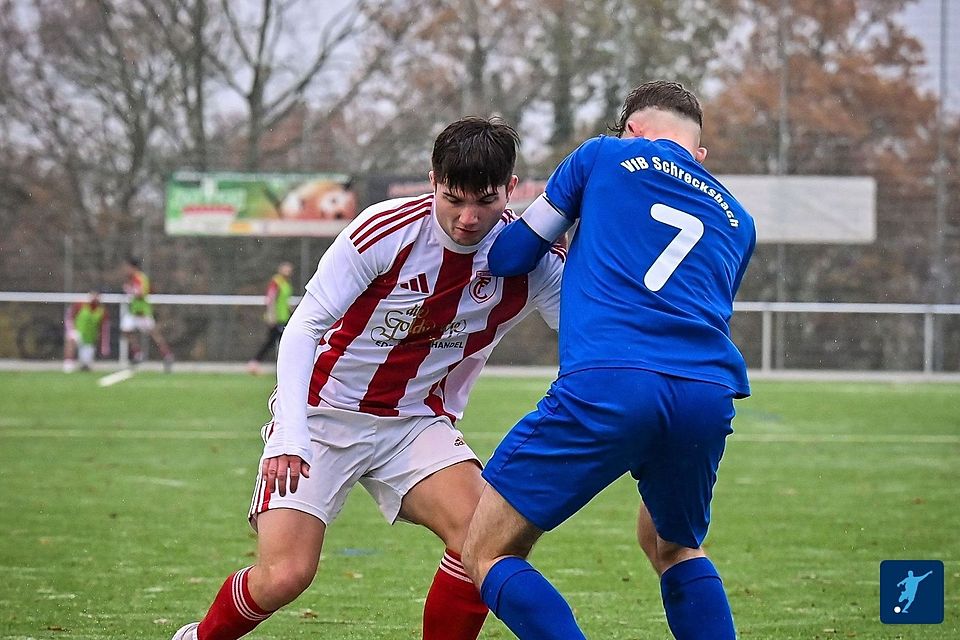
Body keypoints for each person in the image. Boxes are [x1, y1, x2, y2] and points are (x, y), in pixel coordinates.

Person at [170, 116, 564, 640]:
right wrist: (290, 432)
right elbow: (305, 325)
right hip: (323, 413)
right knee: (285, 575)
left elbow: (588, 337)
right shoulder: (386, 229)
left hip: (414, 424)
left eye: (485, 201)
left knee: (484, 542)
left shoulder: (535, 260)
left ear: (511, 188)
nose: (469, 218)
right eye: (453, 199)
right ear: (432, 181)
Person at [461, 81, 757, 640]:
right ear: (698, 154)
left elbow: (511, 255)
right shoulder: (740, 220)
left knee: (486, 551)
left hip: (612, 381)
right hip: (704, 393)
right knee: (673, 546)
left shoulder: (603, 155)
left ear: (633, 131)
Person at [121, 256, 174, 372]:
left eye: (127, 267)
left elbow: (141, 293)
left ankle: (167, 355)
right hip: (133, 312)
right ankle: (138, 354)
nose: (125, 269)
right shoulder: (131, 278)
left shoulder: (140, 278)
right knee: (126, 331)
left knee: (154, 334)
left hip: (142, 312)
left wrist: (129, 290)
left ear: (133, 267)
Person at [246, 262, 295, 375]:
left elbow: (284, 300)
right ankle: (255, 363)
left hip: (284, 317)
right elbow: (271, 299)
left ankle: (256, 362)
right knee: (274, 342)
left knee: (275, 342)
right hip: (277, 318)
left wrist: (292, 311)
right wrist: (271, 315)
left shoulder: (286, 283)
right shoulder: (276, 282)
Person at [63, 290, 110, 372]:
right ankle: (68, 362)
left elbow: (104, 330)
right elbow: (69, 317)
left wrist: (104, 347)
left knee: (86, 365)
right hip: (78, 332)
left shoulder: (102, 311)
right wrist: (70, 329)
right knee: (71, 339)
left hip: (89, 339)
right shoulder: (80, 305)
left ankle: (84, 364)